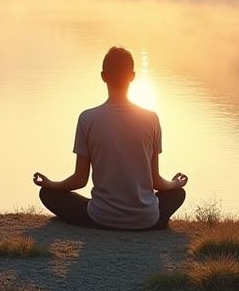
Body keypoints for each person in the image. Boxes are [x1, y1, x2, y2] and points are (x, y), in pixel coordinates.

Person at [32, 46, 188, 230]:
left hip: (100, 217)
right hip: (146, 219)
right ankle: (146, 218)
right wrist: (174, 184)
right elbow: (155, 181)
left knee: (48, 194)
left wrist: (51, 184)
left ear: (103, 76)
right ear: (132, 76)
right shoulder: (151, 119)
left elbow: (80, 179)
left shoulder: (87, 118)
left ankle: (105, 214)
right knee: (178, 194)